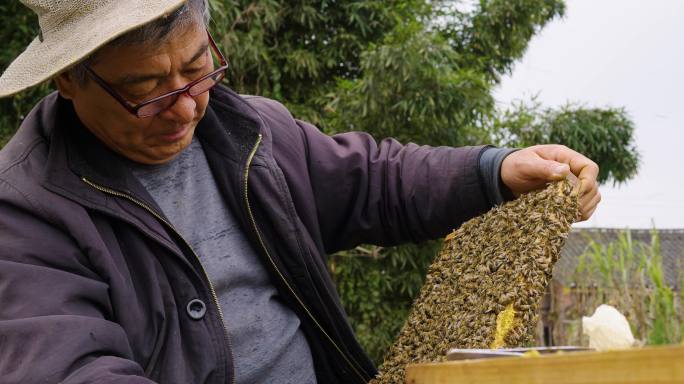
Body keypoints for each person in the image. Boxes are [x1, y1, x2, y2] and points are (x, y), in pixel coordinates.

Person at [0, 1, 600, 383]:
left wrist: (495, 171)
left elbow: (376, 179)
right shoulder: (24, 211)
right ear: (69, 81)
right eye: (149, 90)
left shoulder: (253, 133)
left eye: (197, 69)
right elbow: (67, 368)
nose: (186, 106)